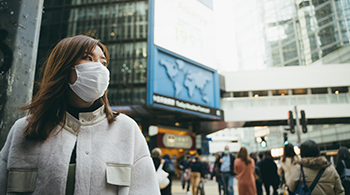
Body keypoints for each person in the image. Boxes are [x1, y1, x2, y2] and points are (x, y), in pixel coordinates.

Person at [0, 35, 160, 195]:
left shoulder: (127, 129)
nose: (99, 68)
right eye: (88, 58)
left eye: (103, 63)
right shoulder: (23, 130)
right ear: (64, 67)